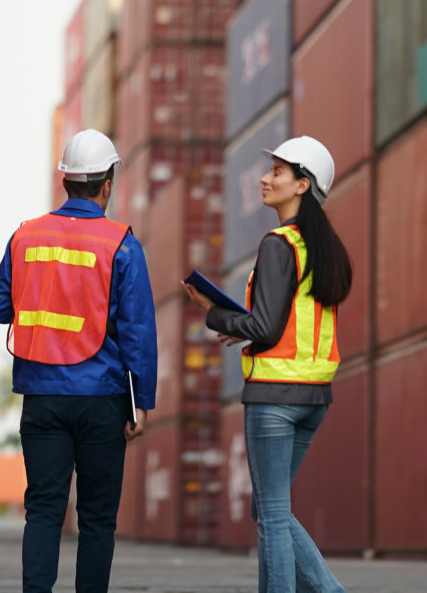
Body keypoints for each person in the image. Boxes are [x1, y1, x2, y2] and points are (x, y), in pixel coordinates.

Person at [0, 128, 158, 593]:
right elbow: (138, 332)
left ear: (64, 180)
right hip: (102, 400)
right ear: (108, 183)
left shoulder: (25, 236)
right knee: (98, 518)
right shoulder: (122, 243)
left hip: (41, 398)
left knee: (43, 509)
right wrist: (140, 401)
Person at [183, 136, 349, 593]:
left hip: (274, 396)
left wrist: (212, 311)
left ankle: (330, 591)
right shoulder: (324, 248)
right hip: (314, 397)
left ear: (302, 184)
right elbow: (287, 319)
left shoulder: (278, 244)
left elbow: (267, 327)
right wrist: (243, 325)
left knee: (272, 514)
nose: (264, 178)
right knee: (269, 508)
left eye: (277, 171)